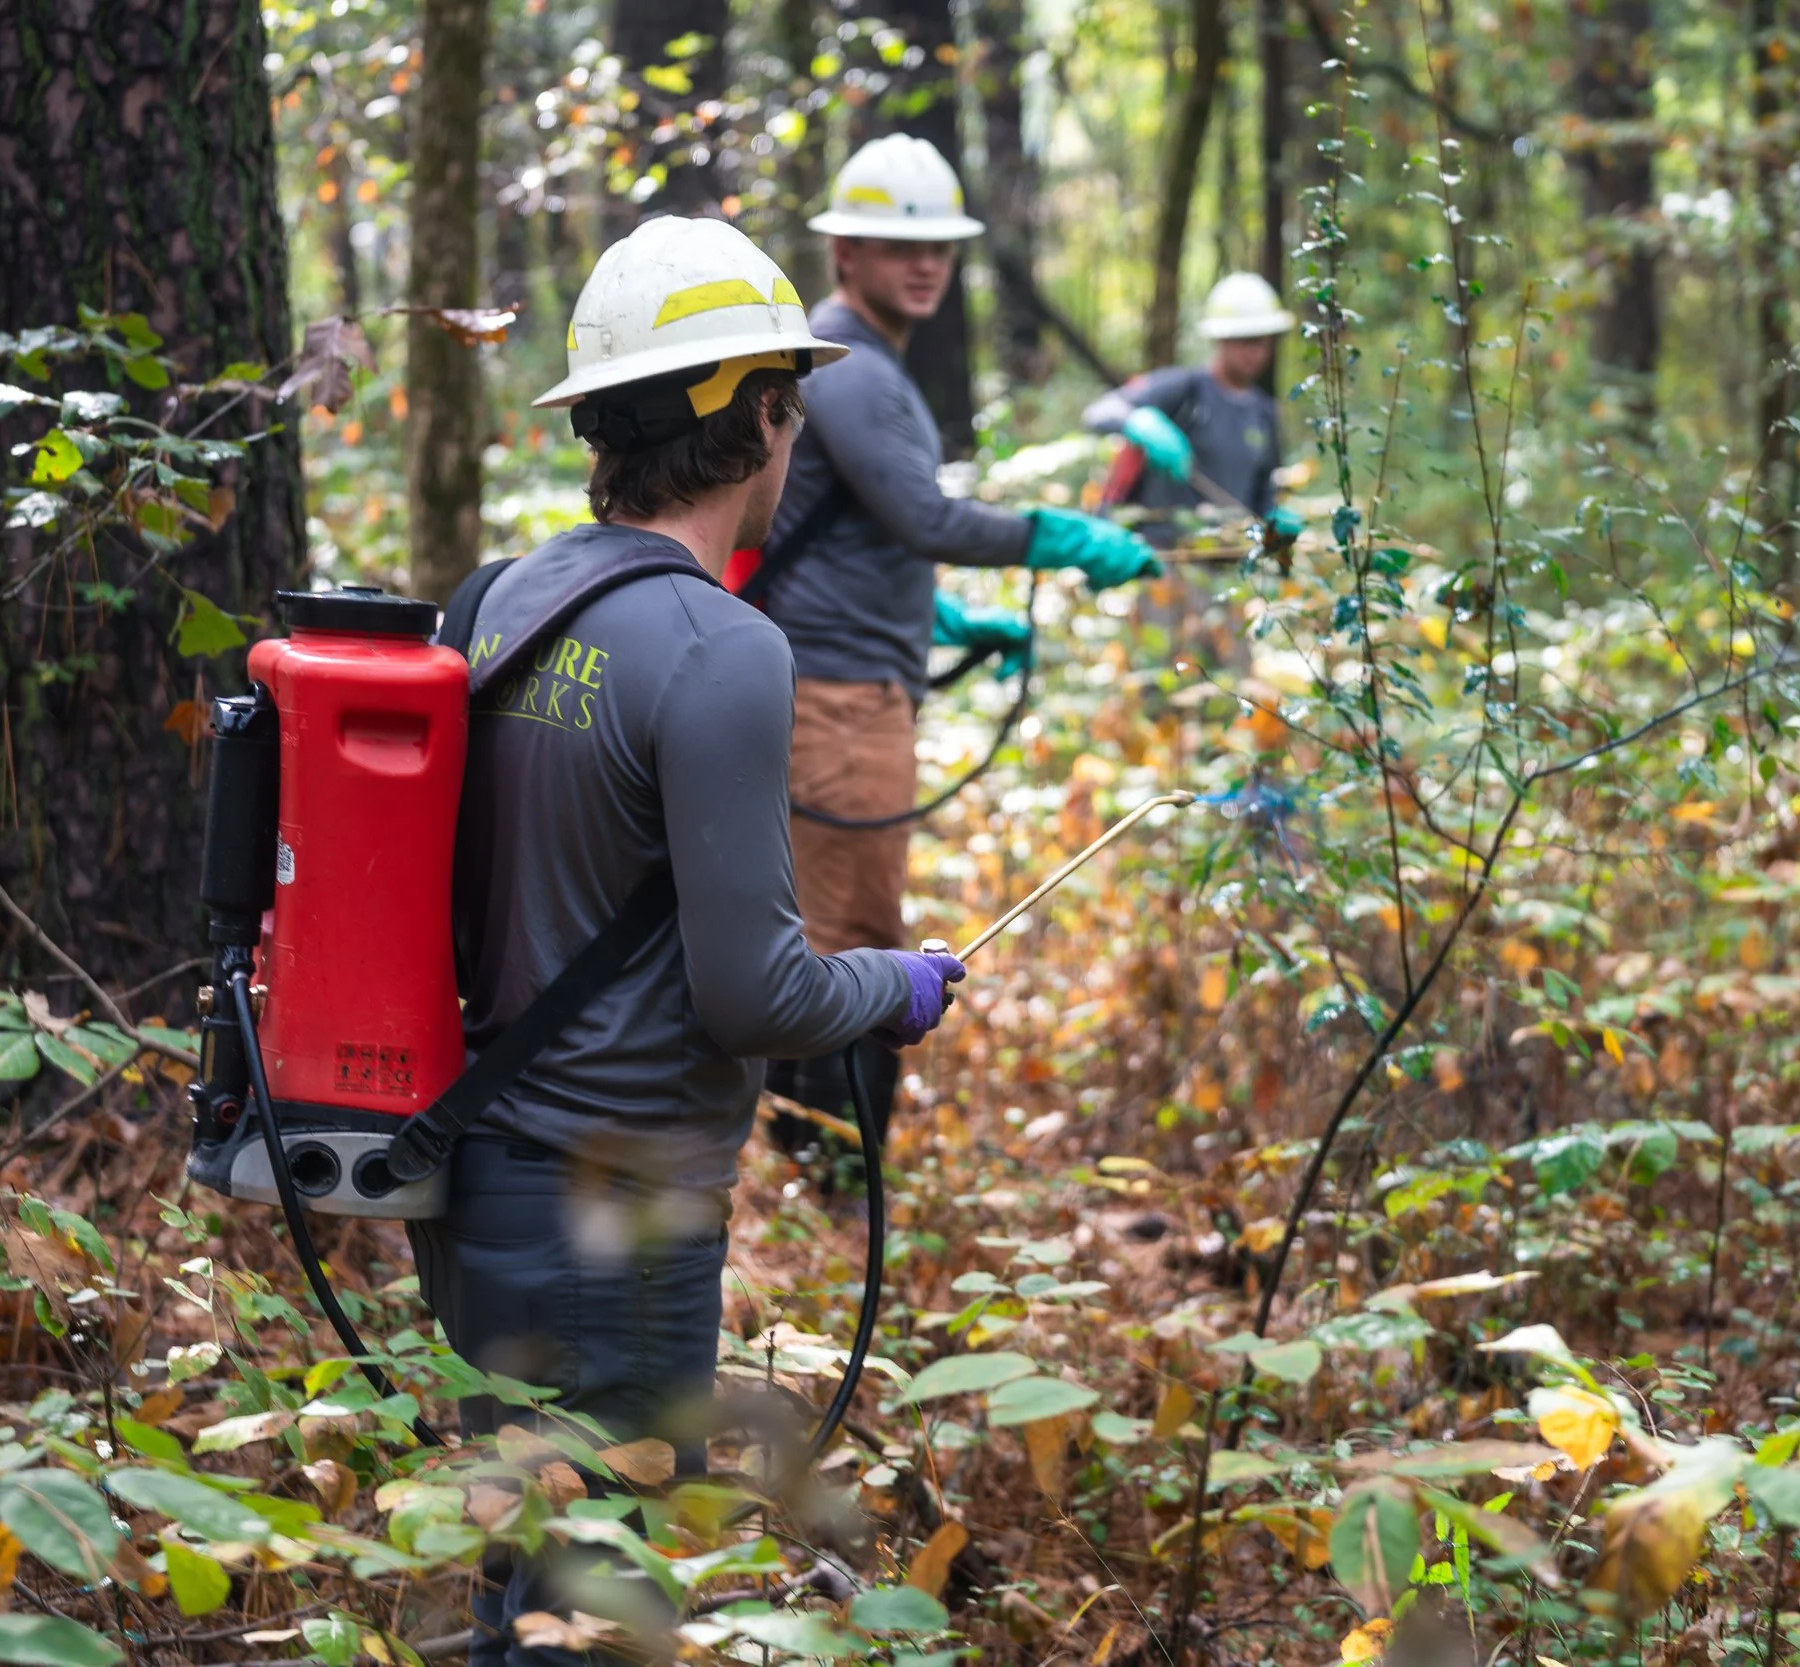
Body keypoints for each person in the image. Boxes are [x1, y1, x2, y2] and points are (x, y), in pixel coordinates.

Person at [413, 214, 968, 1667]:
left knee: (526, 1577)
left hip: (473, 1186)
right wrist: (895, 986)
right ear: (765, 416)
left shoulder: (504, 595)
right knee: (593, 1615)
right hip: (619, 1213)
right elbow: (755, 990)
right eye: (791, 399)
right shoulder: (726, 646)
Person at [748, 134, 1162, 1134]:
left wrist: (940, 618)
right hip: (840, 702)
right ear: (845, 252)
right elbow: (925, 519)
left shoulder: (854, 361)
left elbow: (849, 533)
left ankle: (813, 1178)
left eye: (938, 244)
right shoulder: (850, 367)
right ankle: (832, 1183)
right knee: (850, 938)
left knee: (829, 928)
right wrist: (1055, 538)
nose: (924, 262)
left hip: (843, 684)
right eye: (899, 245)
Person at [1084, 270, 1296, 534]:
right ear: (1221, 338)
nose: (1256, 352)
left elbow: (1264, 488)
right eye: (1246, 341)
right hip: (1162, 556)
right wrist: (1139, 421)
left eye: (1264, 341)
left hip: (1227, 560)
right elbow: (1100, 411)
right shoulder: (1185, 389)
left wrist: (1273, 520)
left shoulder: (1264, 413)